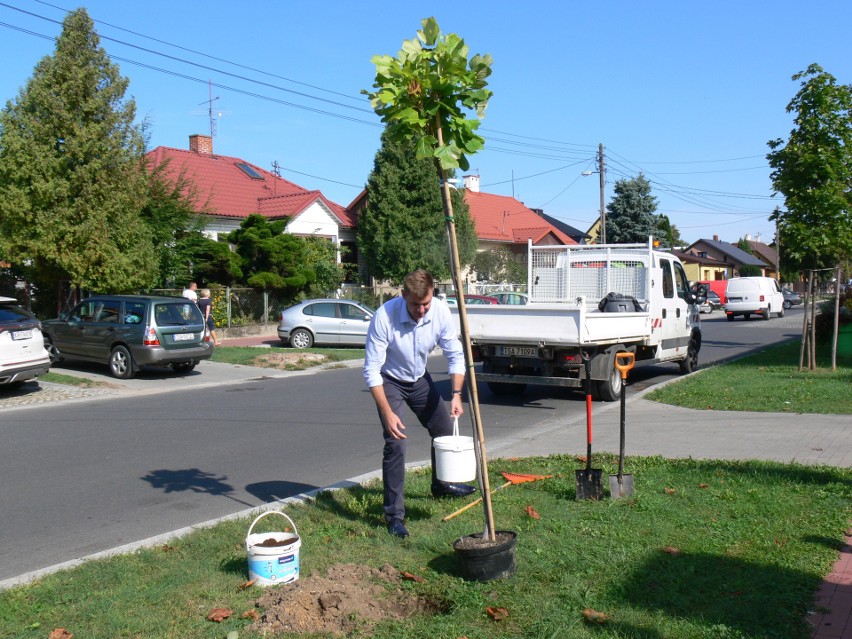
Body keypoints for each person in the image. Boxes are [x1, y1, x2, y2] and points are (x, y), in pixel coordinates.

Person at [363, 269, 475, 538]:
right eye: (416, 305)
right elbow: (371, 371)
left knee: (444, 430)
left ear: (432, 294)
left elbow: (455, 355)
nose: (422, 310)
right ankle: (394, 516)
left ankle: (442, 484)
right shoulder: (384, 317)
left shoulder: (440, 311)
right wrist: (387, 412)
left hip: (419, 379)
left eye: (426, 303)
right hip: (390, 380)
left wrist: (457, 393)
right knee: (396, 442)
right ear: (403, 296)